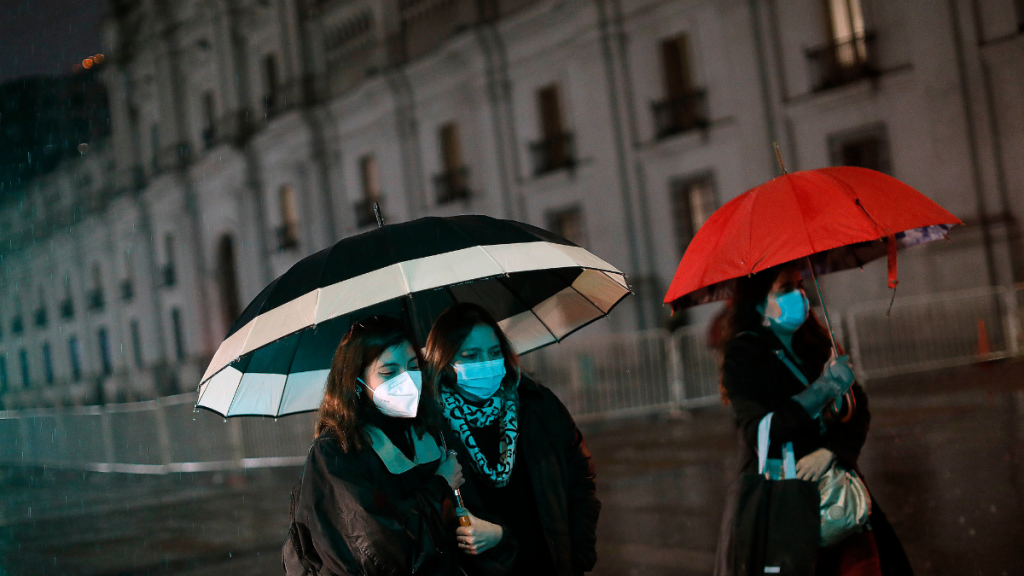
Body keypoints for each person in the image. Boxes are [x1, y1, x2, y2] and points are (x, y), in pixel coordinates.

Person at [710, 263, 913, 576]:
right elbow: (764, 431)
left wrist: (832, 452)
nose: (800, 295)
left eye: (800, 285)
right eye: (786, 289)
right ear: (759, 299)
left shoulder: (816, 341)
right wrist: (823, 389)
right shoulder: (745, 355)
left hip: (838, 497)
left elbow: (857, 412)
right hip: (781, 503)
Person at [283, 315, 514, 576]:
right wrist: (440, 487)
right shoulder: (336, 452)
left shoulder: (431, 431)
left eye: (413, 366)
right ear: (355, 382)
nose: (407, 380)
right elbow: (379, 552)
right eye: (389, 372)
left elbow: (467, 522)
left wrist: (495, 535)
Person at [423, 303, 601, 576]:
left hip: (548, 564)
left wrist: (577, 556)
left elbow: (580, 480)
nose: (486, 364)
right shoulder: (431, 429)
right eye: (471, 355)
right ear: (444, 363)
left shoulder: (537, 406)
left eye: (494, 353)